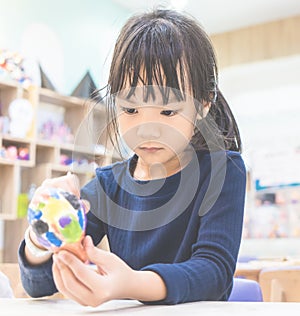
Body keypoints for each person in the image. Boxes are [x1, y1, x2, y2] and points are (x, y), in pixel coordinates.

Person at [18, 9, 246, 306]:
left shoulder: (223, 172)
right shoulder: (107, 185)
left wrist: (132, 284)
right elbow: (38, 283)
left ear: (202, 106)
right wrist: (41, 233)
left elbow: (214, 272)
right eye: (130, 110)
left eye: (168, 111)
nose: (147, 129)